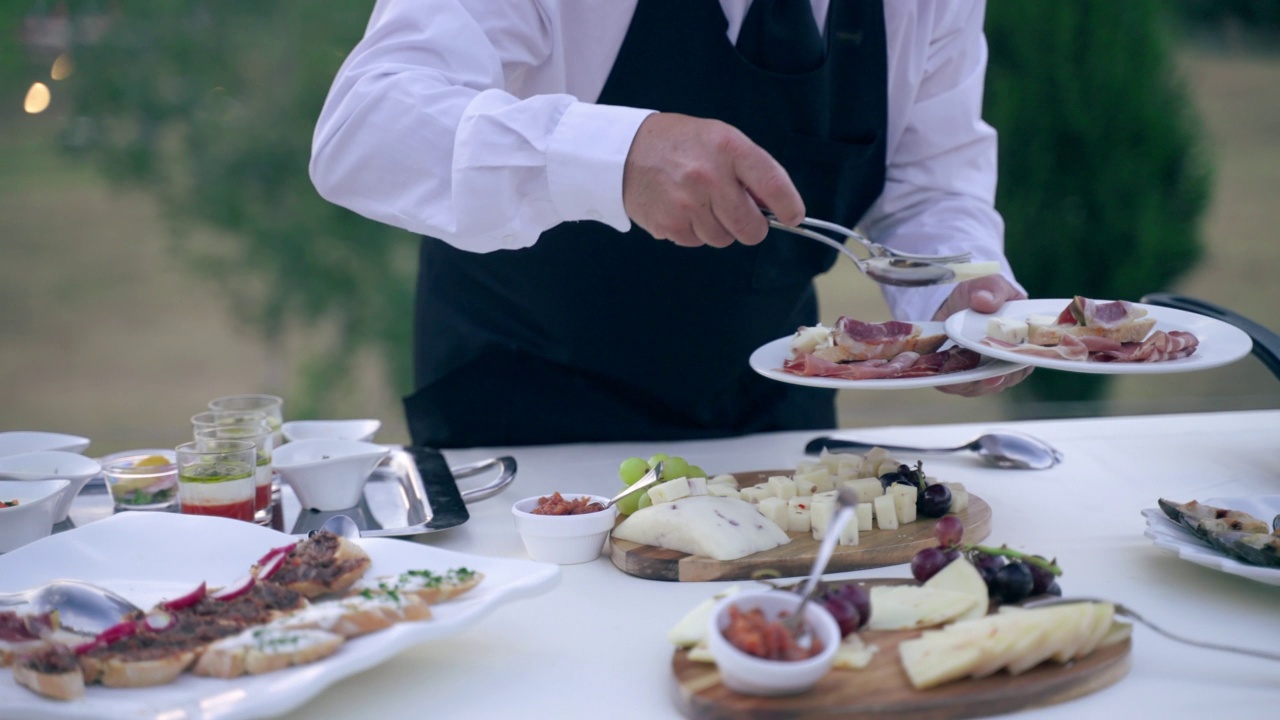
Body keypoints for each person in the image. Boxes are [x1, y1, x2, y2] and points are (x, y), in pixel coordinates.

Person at [310, 0, 1028, 449]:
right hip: (525, 420)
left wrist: (956, 294)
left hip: (771, 418)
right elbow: (363, 127)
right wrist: (616, 157)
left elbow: (930, 182)